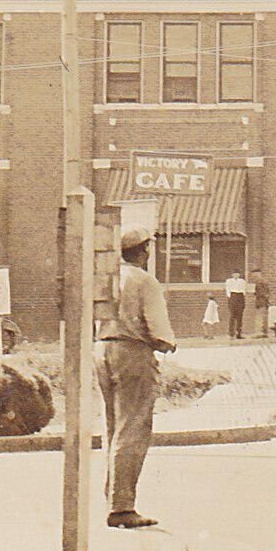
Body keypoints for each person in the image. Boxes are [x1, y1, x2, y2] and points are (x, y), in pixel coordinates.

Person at [96, 225, 177, 529]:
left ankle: (112, 497)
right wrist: (167, 344)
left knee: (113, 427)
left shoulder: (108, 278)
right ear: (144, 251)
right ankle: (122, 507)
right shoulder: (144, 281)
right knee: (133, 427)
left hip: (102, 350)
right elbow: (159, 330)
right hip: (132, 351)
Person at [224, 268, 248, 340]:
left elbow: (244, 291)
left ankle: (239, 333)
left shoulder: (242, 281)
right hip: (233, 296)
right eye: (234, 274)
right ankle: (231, 333)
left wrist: (242, 299)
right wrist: (231, 299)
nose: (236, 275)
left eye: (237, 274)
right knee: (232, 316)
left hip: (240, 297)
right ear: (232, 275)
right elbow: (228, 291)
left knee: (240, 317)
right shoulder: (229, 281)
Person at [249, 268, 271, 338]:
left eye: (254, 276)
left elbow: (261, 293)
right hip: (265, 302)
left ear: (258, 275)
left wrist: (257, 294)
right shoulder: (265, 282)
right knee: (264, 317)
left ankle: (259, 332)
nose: (254, 278)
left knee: (260, 317)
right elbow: (267, 293)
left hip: (261, 302)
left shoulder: (259, 283)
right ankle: (264, 332)